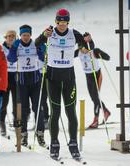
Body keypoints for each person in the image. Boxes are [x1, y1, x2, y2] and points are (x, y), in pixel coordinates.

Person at [35, 8, 92, 159]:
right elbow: (36, 43)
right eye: (59, 22)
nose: (62, 25)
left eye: (64, 22)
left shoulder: (74, 33)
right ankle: (54, 143)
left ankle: (73, 142)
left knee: (71, 112)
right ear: (56, 22)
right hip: (52, 79)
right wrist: (43, 35)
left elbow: (86, 46)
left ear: (68, 22)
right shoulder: (50, 32)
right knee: (55, 112)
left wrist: (88, 41)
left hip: (68, 79)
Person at [8, 24, 46, 147]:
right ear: (20, 35)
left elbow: (43, 57)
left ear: (31, 35)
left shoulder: (35, 43)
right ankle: (23, 135)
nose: (25, 37)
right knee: (23, 109)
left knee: (38, 107)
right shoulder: (17, 45)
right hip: (22, 82)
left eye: (28, 35)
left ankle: (40, 134)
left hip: (35, 80)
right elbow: (11, 59)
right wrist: (13, 49)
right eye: (23, 35)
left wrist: (41, 49)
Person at [74, 34, 111, 129]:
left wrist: (100, 54)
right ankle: (106, 111)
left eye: (87, 48)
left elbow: (108, 57)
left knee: (95, 98)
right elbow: (67, 55)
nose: (85, 51)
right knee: (93, 97)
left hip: (96, 75)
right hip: (88, 76)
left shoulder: (93, 51)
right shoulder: (78, 52)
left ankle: (96, 120)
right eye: (83, 48)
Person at [0, 30, 17, 136]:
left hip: (15, 76)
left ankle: (17, 123)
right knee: (4, 103)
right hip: (5, 77)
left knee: (16, 102)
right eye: (9, 36)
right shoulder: (1, 49)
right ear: (5, 38)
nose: (11, 38)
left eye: (13, 36)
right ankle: (1, 123)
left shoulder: (17, 47)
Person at [37, 43, 50, 129]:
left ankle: (46, 118)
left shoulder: (44, 46)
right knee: (37, 99)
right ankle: (39, 119)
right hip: (36, 74)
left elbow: (44, 58)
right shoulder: (35, 45)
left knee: (43, 98)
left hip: (45, 75)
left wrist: (39, 52)